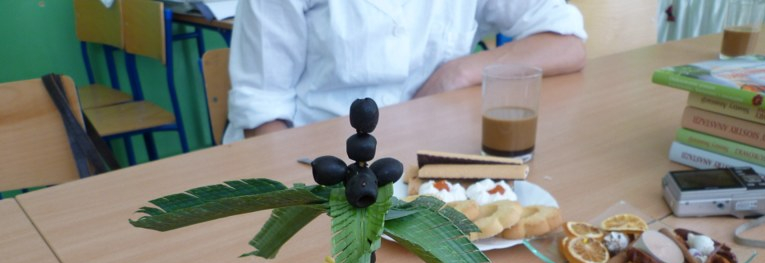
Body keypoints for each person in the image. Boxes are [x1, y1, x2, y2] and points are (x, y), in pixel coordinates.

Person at [223, 0, 587, 143]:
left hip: (423, 162)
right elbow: (262, 115)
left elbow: (567, 42)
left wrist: (459, 71)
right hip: (315, 163)